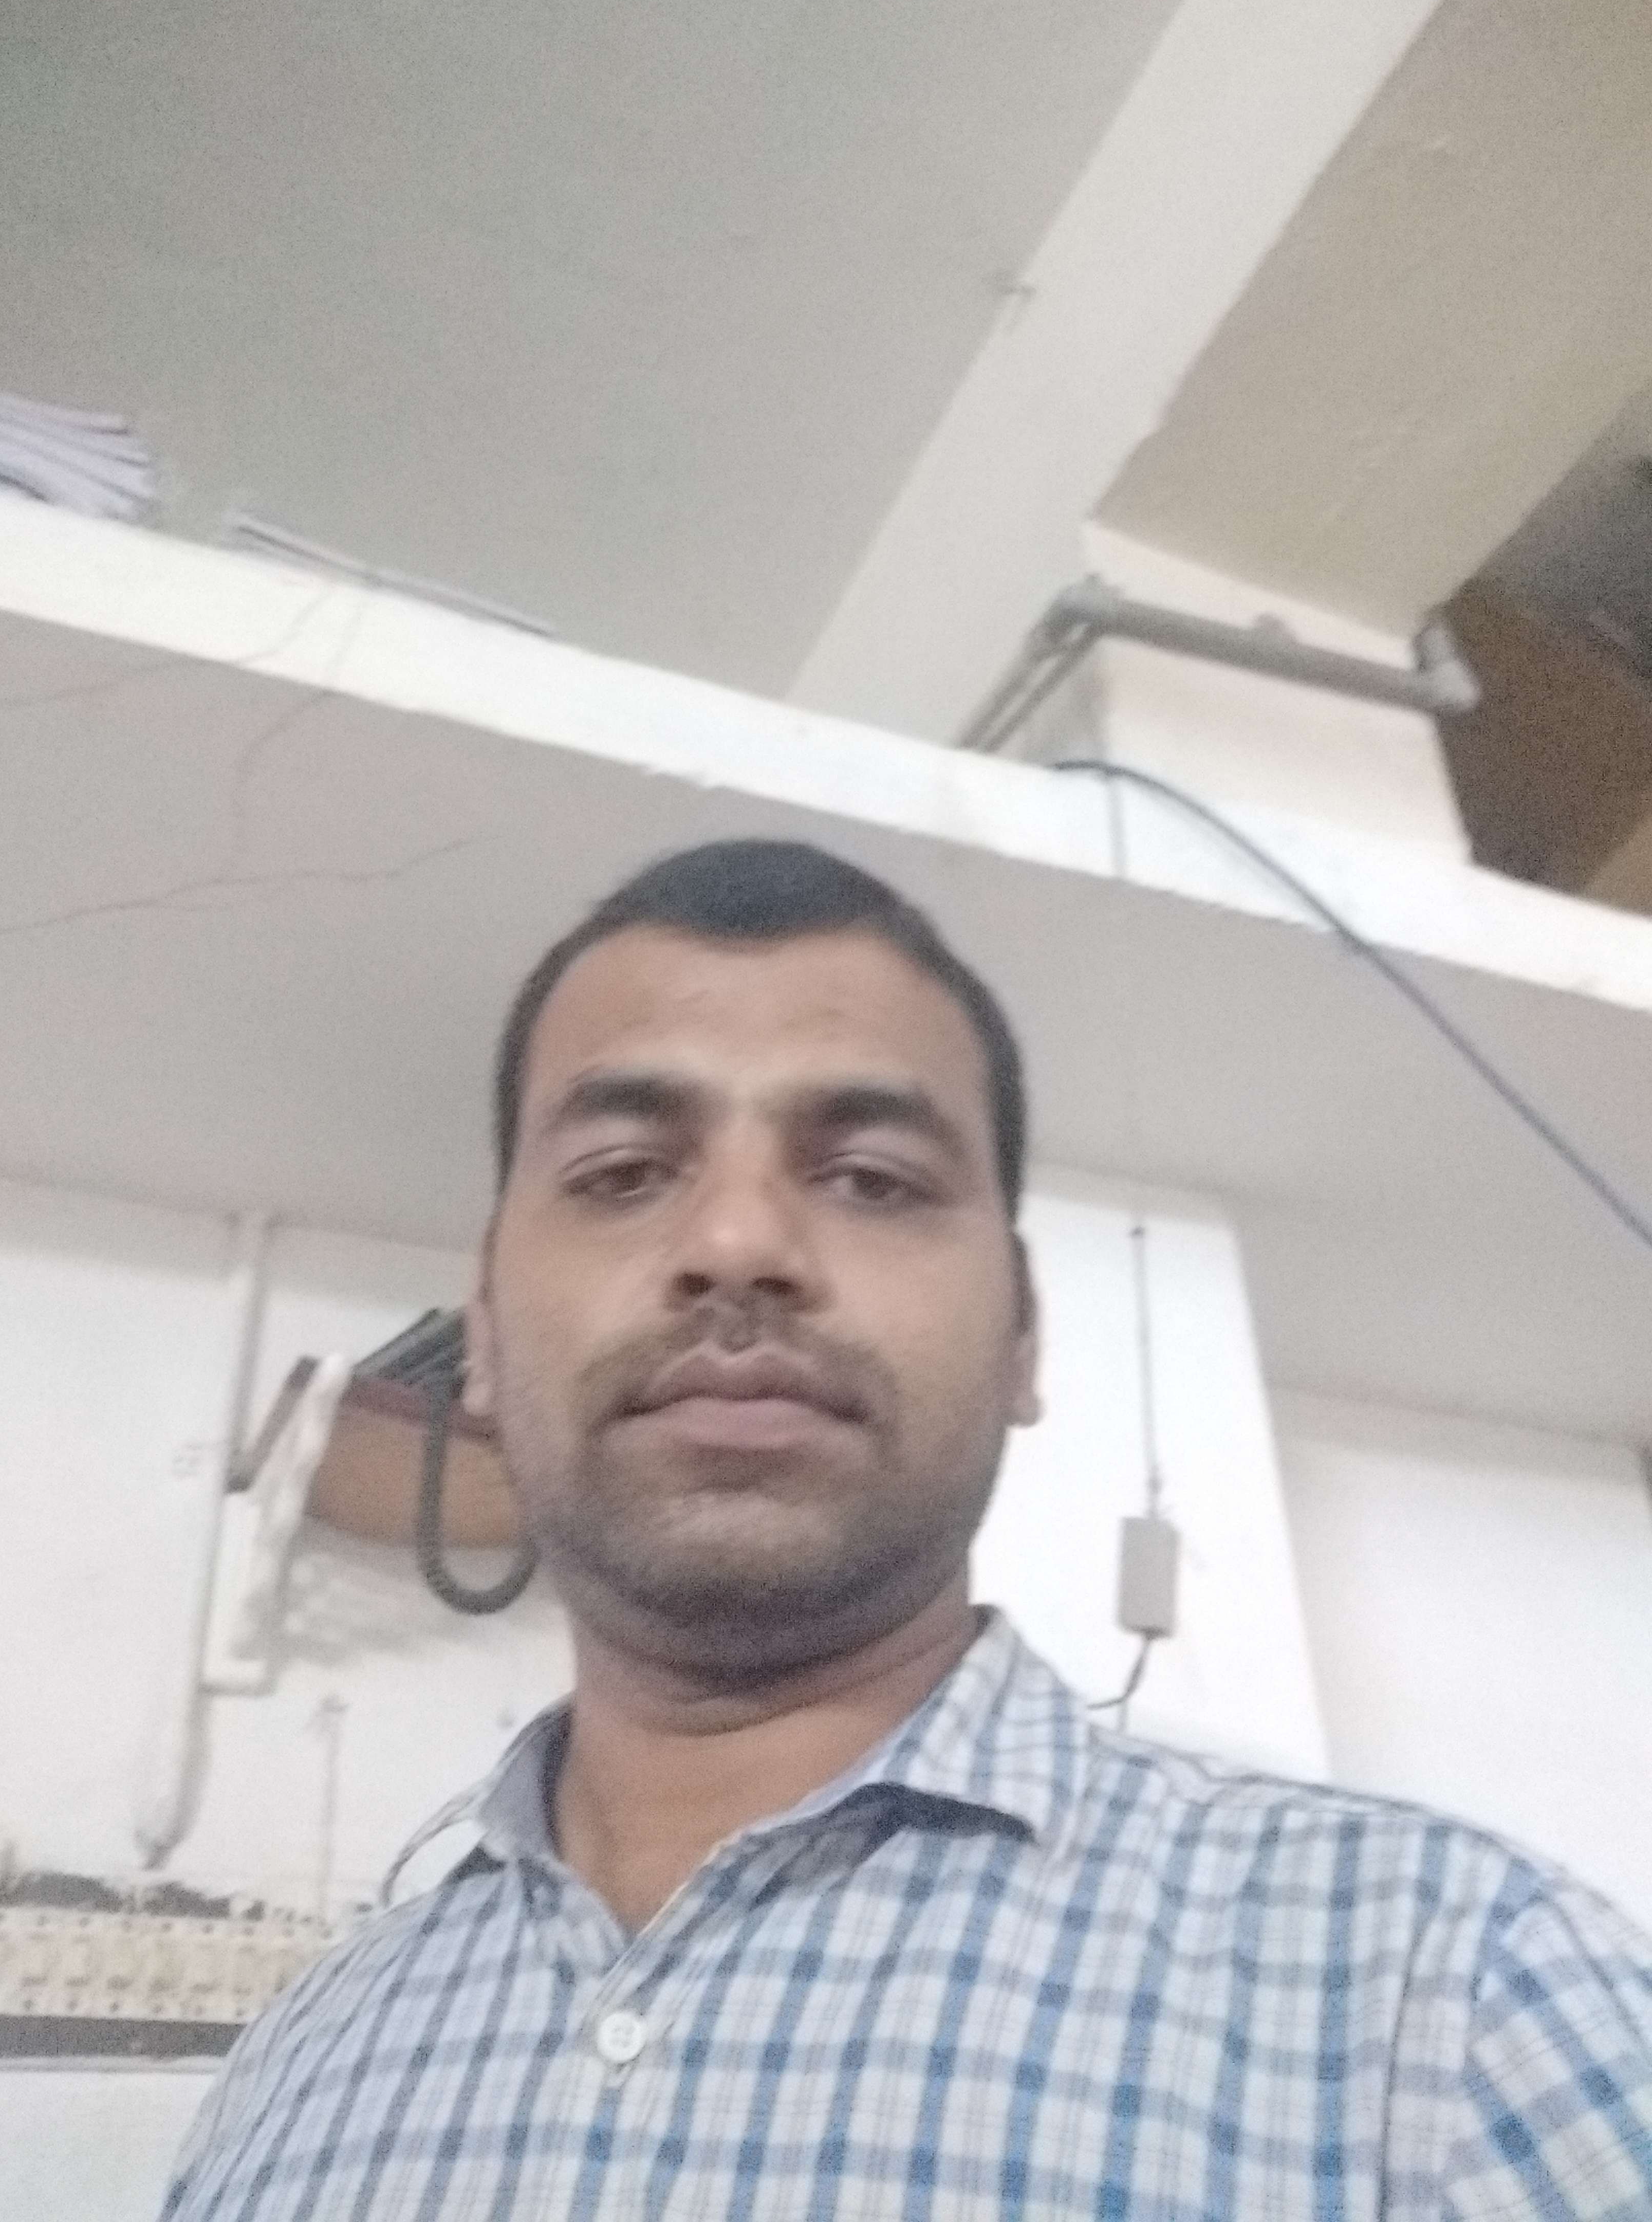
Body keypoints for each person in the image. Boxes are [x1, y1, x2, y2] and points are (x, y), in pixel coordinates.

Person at [164, 838, 1652, 2220]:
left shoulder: (1458, 1996)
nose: (738, 1245)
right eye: (622, 1175)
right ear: (484, 1336)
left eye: (872, 1180)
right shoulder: (299, 2060)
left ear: (1024, 1337)